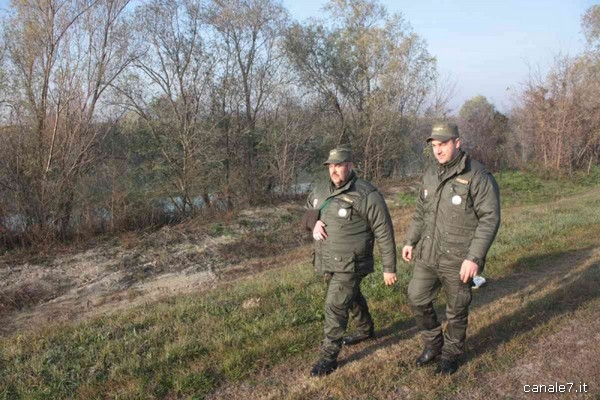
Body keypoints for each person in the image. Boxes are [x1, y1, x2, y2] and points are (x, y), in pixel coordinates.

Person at [402, 123, 500, 375]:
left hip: (460, 257)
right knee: (416, 296)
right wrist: (410, 241)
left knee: (456, 310)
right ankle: (434, 343)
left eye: (443, 144)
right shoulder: (430, 174)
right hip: (429, 253)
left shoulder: (477, 175)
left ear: (457, 142)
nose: (438, 150)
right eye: (434, 146)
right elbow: (420, 213)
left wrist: (474, 258)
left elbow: (490, 218)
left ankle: (452, 354)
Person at [303, 146, 397, 377]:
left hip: (353, 262)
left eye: (339, 165)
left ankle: (328, 357)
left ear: (350, 166)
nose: (334, 170)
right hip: (328, 259)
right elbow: (308, 209)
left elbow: (384, 231)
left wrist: (389, 268)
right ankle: (365, 329)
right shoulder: (320, 189)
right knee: (350, 296)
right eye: (331, 166)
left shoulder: (366, 194)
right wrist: (312, 223)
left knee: (335, 304)